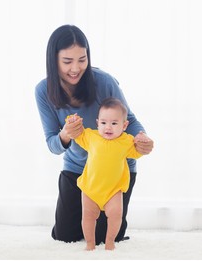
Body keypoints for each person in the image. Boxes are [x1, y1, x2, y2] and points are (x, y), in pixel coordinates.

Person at [34, 24, 154, 245]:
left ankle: (112, 223)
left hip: (114, 170)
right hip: (78, 170)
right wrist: (66, 135)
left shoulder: (104, 82)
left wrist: (142, 138)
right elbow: (52, 143)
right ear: (54, 61)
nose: (76, 68)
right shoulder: (43, 91)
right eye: (67, 61)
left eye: (82, 59)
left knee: (104, 237)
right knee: (65, 236)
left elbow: (132, 121)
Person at [66, 98, 146, 250]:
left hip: (113, 190)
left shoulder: (126, 141)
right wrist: (72, 121)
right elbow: (77, 134)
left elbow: (137, 152)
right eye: (103, 123)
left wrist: (141, 140)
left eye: (114, 123)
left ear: (124, 125)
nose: (108, 127)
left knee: (116, 216)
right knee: (88, 217)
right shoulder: (91, 137)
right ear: (97, 123)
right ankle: (90, 243)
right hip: (90, 188)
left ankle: (110, 242)